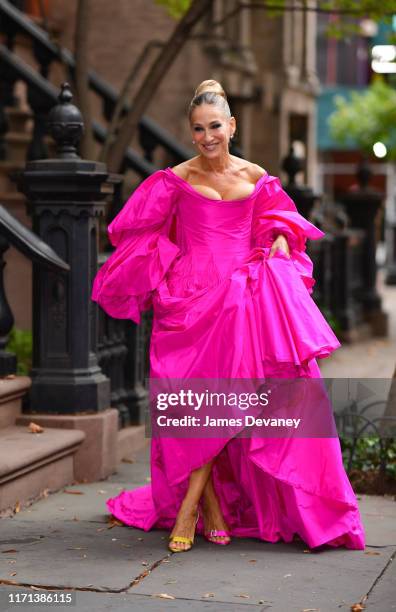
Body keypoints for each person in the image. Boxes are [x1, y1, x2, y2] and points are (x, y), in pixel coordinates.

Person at [91, 80, 365, 553]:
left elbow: (279, 227)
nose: (206, 136)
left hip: (240, 301)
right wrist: (161, 268)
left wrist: (277, 246)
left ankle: (189, 508)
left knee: (237, 400)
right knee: (197, 406)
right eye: (198, 129)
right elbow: (138, 232)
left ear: (232, 125)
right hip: (189, 302)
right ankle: (211, 503)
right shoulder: (175, 179)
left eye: (214, 126)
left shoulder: (257, 177)